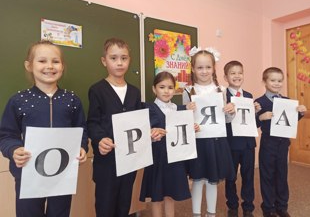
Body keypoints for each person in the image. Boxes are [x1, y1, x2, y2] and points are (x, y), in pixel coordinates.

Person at [0, 40, 88, 217]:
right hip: (29, 173)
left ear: (62, 66)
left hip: (62, 174)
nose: (49, 66)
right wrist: (14, 149)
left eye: (55, 61)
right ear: (29, 65)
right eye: (42, 61)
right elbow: (6, 134)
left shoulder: (72, 100)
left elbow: (81, 130)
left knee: (60, 213)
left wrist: (82, 147)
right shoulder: (18, 100)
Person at [87, 38, 143, 217]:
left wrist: (150, 131)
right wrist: (99, 139)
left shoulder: (134, 92)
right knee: (105, 203)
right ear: (104, 61)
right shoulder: (97, 90)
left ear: (129, 60)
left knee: (124, 202)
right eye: (113, 58)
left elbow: (139, 121)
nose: (119, 62)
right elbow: (93, 122)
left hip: (129, 158)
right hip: (107, 161)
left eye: (124, 58)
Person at [183, 47, 236, 217]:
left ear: (214, 68)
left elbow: (226, 120)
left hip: (216, 141)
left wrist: (230, 111)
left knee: (213, 181)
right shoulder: (188, 91)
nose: (204, 71)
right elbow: (185, 121)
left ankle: (211, 213)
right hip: (198, 142)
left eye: (208, 67)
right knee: (197, 180)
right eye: (200, 67)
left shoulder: (221, 90)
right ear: (193, 69)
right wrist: (187, 111)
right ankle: (196, 214)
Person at [140, 71, 199, 217]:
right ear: (154, 89)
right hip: (158, 158)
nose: (166, 91)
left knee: (170, 194)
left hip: (175, 158)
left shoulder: (179, 109)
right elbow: (142, 133)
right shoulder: (147, 108)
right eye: (162, 87)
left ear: (175, 89)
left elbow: (182, 131)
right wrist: (151, 133)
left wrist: (192, 127)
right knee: (157, 195)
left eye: (170, 87)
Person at [255, 67, 307, 217]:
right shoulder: (259, 102)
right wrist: (260, 117)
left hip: (283, 144)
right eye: (273, 80)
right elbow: (252, 125)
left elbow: (290, 122)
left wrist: (300, 113)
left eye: (279, 81)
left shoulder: (287, 101)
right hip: (268, 144)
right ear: (264, 82)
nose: (277, 83)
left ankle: (282, 206)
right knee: (267, 176)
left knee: (282, 175)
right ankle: (268, 208)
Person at [223, 61, 261, 217]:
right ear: (226, 77)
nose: (237, 76)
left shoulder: (249, 96)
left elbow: (249, 120)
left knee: (248, 176)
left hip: (247, 144)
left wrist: (256, 112)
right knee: (230, 176)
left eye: (240, 72)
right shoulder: (223, 96)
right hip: (231, 143)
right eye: (233, 73)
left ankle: (248, 207)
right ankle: (232, 205)